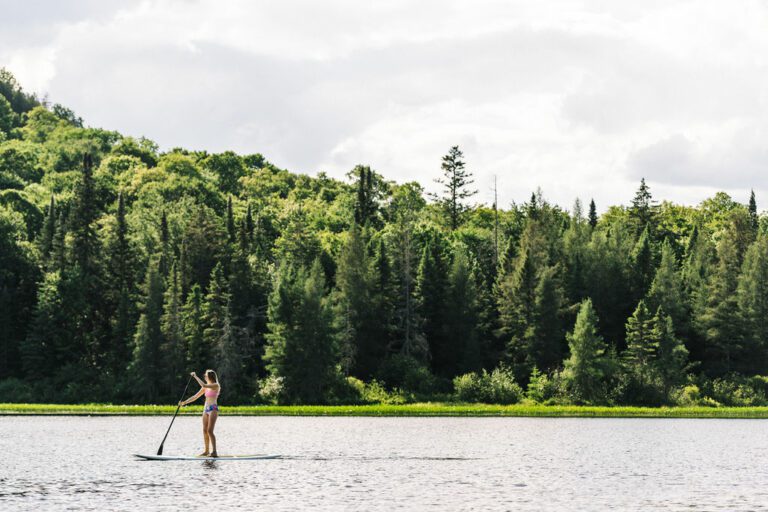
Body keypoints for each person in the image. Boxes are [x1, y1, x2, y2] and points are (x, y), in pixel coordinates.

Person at [179, 369, 221, 457]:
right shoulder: (205, 387)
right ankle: (206, 451)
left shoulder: (215, 385)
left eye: (206, 375)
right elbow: (196, 396)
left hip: (213, 409)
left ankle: (214, 452)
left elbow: (204, 384)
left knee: (210, 431)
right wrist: (184, 402)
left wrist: (195, 376)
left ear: (210, 377)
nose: (205, 376)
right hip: (206, 409)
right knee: (205, 430)